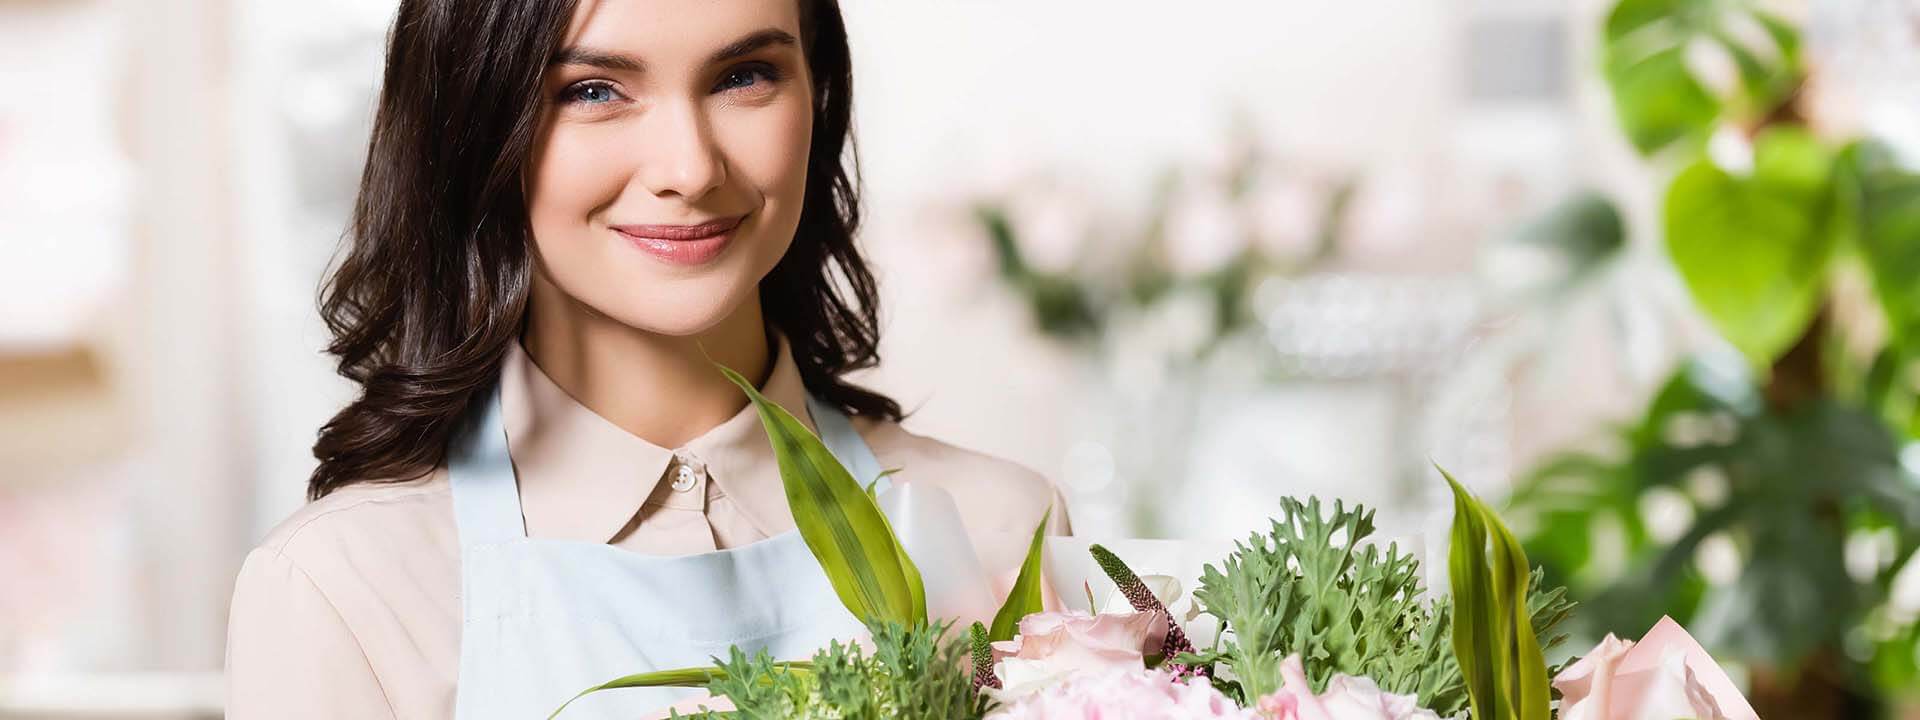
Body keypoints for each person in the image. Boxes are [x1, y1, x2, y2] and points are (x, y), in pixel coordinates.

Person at [223, 0, 1068, 717]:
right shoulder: (344, 591)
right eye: (592, 91)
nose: (690, 168)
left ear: (821, 92)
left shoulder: (1004, 524)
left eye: (744, 77)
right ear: (475, 124)